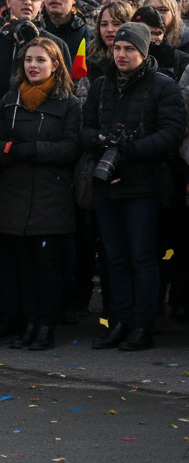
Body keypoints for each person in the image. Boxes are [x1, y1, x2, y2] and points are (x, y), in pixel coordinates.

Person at [82, 21, 187, 351]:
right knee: (114, 259)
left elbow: (171, 134)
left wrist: (130, 150)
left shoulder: (163, 86)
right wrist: (102, 143)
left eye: (129, 49)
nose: (122, 54)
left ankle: (142, 326)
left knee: (142, 258)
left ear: (143, 52)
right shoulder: (101, 85)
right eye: (117, 48)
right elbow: (84, 128)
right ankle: (119, 323)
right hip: (106, 185)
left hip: (143, 187)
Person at [0, 38, 82, 351]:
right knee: (23, 267)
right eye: (28, 59)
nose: (33, 65)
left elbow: (72, 147)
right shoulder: (10, 99)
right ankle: (28, 325)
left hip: (50, 196)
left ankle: (45, 327)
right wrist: (10, 150)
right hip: (14, 195)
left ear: (55, 65)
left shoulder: (69, 103)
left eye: (40, 60)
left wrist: (35, 150)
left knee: (47, 267)